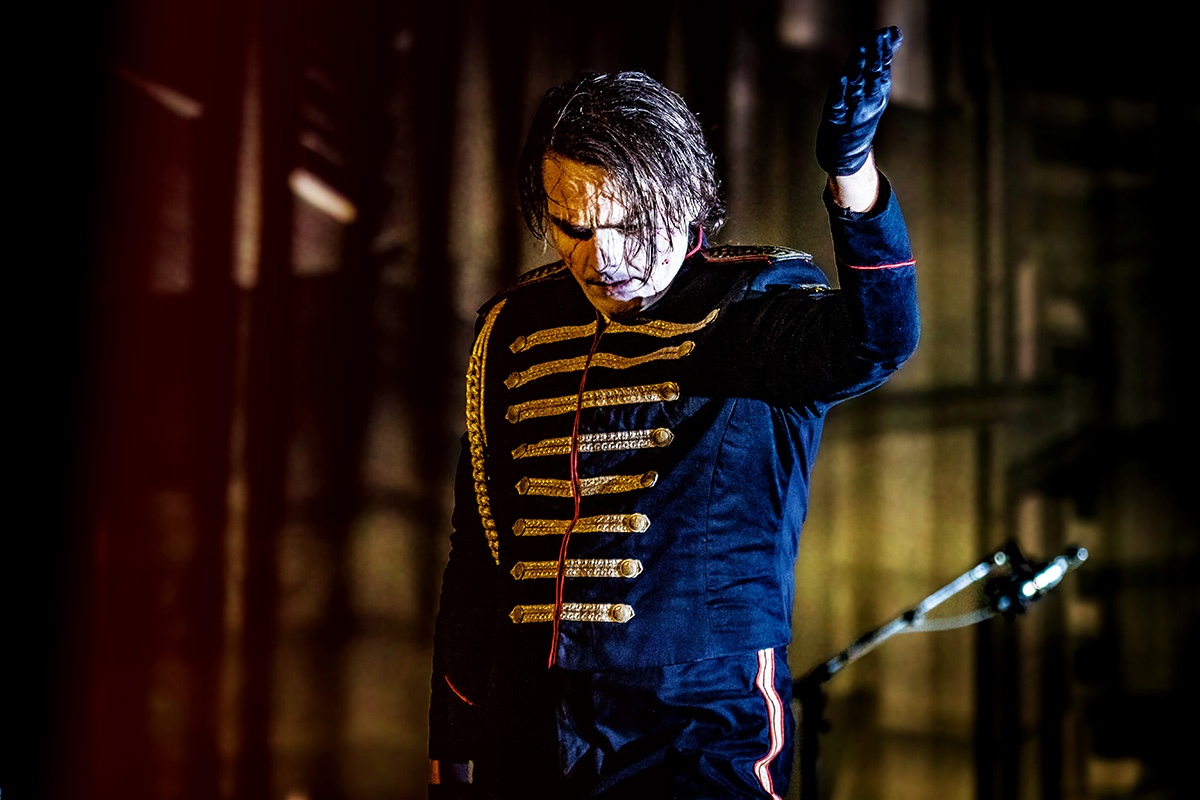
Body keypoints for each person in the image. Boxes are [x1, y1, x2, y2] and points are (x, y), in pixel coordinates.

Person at [429, 26, 917, 798]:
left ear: (688, 198)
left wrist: (853, 173)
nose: (602, 258)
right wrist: (453, 743)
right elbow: (478, 557)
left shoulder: (751, 306)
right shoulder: (512, 327)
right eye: (573, 228)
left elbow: (879, 340)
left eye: (629, 224)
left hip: (695, 723)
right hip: (527, 721)